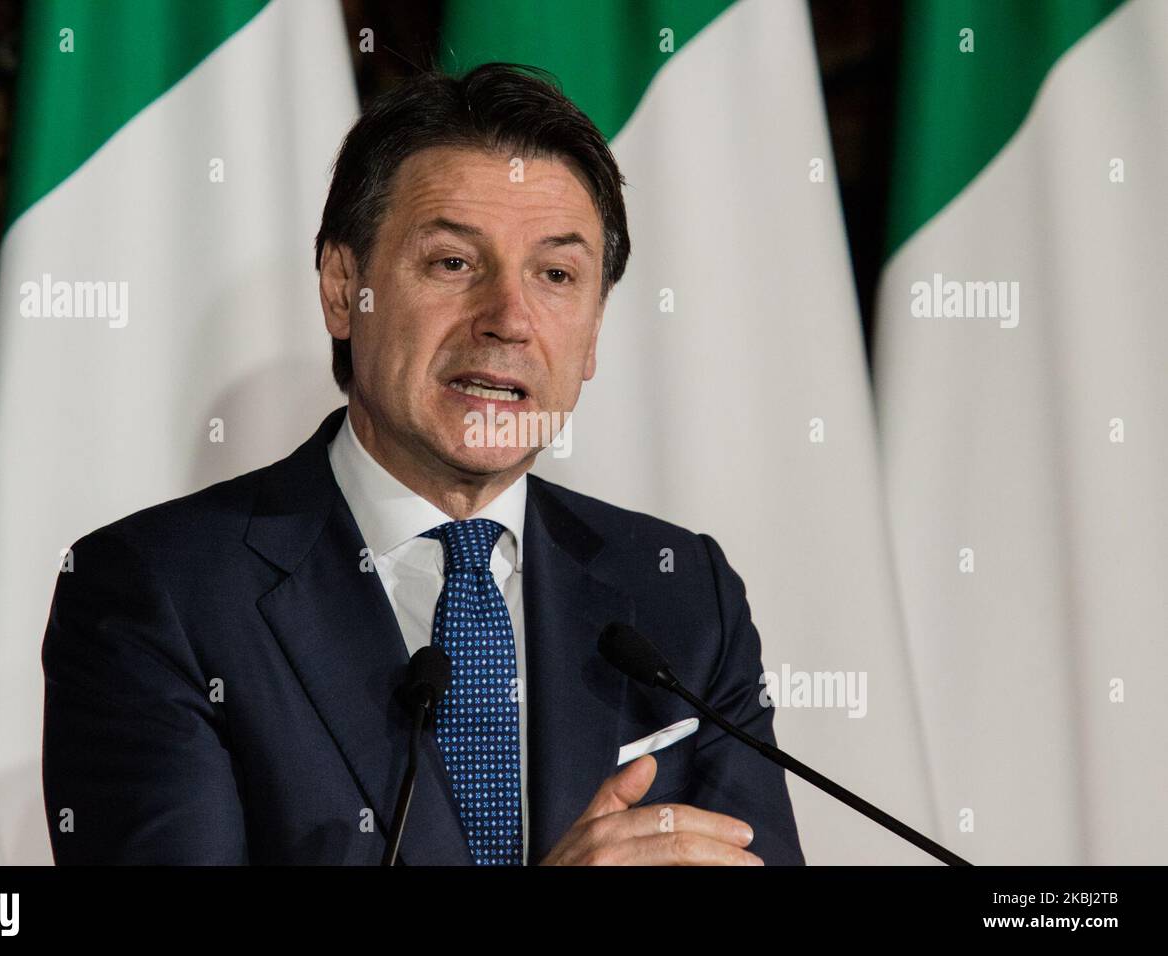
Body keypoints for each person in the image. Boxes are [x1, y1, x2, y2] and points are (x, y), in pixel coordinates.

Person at [41, 62, 805, 866]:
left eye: (555, 275)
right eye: (452, 263)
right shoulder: (156, 594)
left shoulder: (681, 593)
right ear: (344, 289)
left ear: (594, 329)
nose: (509, 319)